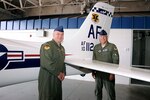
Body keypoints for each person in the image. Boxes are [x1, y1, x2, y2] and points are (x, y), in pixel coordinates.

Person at [38, 26, 66, 100]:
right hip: (47, 78)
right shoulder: (47, 46)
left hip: (58, 78)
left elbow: (62, 62)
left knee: (57, 96)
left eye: (62, 34)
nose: (60, 36)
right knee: (47, 96)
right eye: (58, 34)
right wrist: (58, 73)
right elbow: (46, 63)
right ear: (53, 35)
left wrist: (63, 72)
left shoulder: (62, 48)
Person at [92, 30, 119, 100]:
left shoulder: (112, 46)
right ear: (99, 37)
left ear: (107, 37)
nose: (102, 38)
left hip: (108, 74)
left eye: (104, 36)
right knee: (98, 91)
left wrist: (112, 73)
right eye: (101, 36)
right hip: (98, 74)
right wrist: (93, 71)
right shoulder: (96, 47)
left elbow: (115, 61)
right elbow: (93, 60)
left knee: (110, 93)